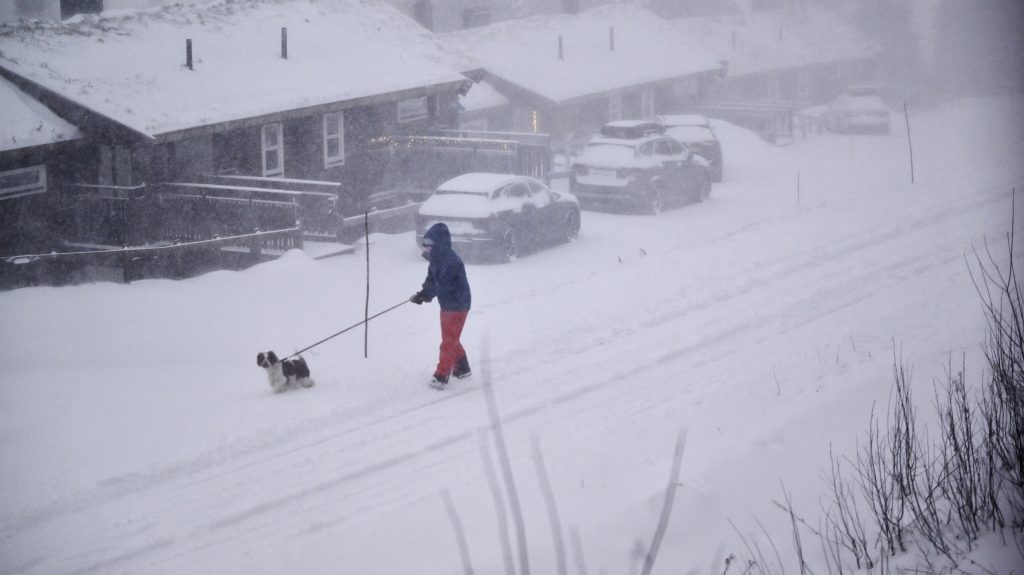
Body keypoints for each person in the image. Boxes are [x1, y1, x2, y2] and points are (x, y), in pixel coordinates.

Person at [410, 223, 471, 386]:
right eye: (425, 244)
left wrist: (426, 295)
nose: (425, 247)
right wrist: (422, 293)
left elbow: (442, 284)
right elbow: (432, 279)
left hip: (458, 304)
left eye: (428, 244)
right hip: (447, 304)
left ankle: (441, 375)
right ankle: (462, 367)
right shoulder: (436, 259)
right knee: (450, 338)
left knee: (448, 341)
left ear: (438, 244)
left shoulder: (450, 262)